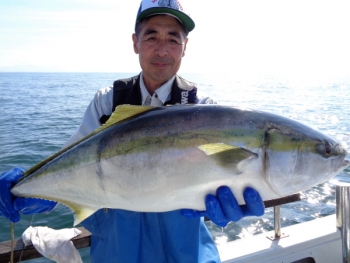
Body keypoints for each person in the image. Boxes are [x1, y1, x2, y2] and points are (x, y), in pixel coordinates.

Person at [0, 1, 265, 262]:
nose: (162, 50)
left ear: (185, 47)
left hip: (186, 252)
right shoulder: (107, 102)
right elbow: (72, 165)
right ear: (135, 42)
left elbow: (228, 173)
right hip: (117, 250)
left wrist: (237, 195)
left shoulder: (203, 109)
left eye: (173, 39)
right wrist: (35, 188)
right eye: (151, 37)